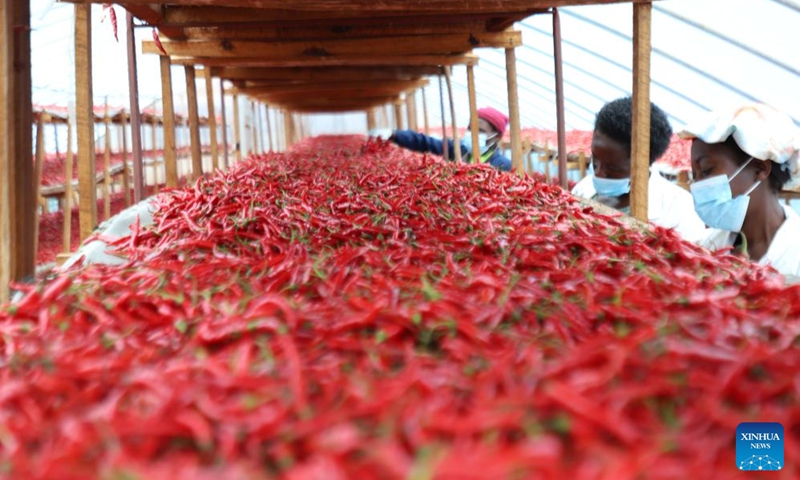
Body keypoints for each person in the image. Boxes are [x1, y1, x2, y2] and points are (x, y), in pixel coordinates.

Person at [679, 104, 800, 276]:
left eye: (706, 170)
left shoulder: (795, 253)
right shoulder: (705, 247)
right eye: (694, 175)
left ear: (760, 169)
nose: (697, 185)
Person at [571, 97, 707, 242]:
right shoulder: (584, 189)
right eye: (595, 159)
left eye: (613, 167)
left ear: (645, 162)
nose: (599, 173)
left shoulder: (679, 208)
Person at [369, 107, 512, 172]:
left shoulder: (503, 165)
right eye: (470, 128)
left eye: (480, 131)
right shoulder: (458, 150)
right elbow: (426, 142)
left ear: (497, 137)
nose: (473, 134)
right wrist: (394, 134)